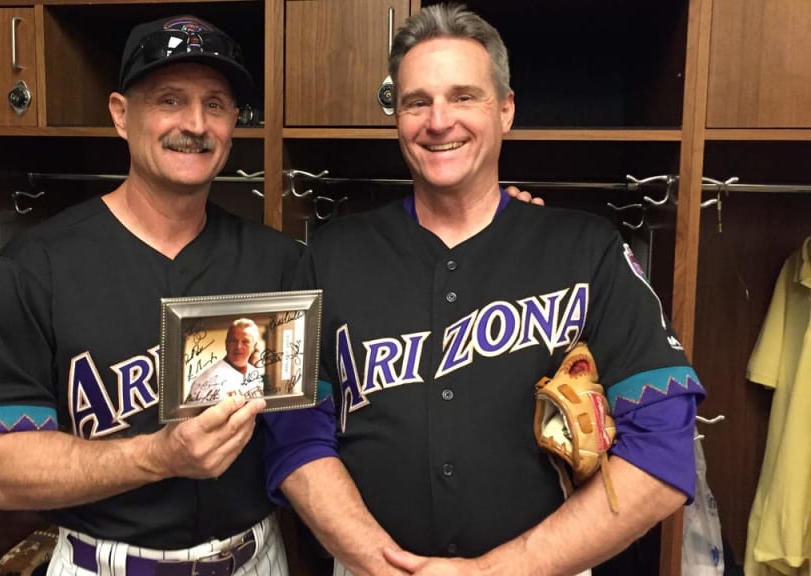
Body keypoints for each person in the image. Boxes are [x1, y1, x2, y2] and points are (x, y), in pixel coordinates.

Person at [264, 4, 707, 576]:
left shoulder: (587, 249)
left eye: (463, 96)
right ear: (397, 118)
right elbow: (292, 437)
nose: (438, 120)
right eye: (416, 102)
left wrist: (502, 571)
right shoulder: (328, 255)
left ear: (506, 109)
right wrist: (383, 564)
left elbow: (663, 450)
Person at [0, 15, 302, 576]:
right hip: (104, 564)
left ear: (234, 122)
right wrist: (158, 456)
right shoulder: (36, 267)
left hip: (253, 558)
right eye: (169, 100)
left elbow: (307, 434)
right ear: (121, 114)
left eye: (215, 104)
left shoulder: (280, 263)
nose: (195, 123)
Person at [187, 318, 266, 403]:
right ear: (226, 343)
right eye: (234, 341)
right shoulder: (208, 379)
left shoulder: (255, 374)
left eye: (245, 342)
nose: (238, 347)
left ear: (254, 346)